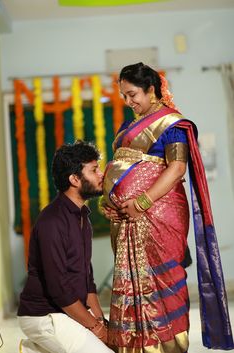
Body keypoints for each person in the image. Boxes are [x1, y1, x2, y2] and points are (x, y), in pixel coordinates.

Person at [101, 62, 234, 353]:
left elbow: (176, 168)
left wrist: (142, 202)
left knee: (165, 279)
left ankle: (170, 345)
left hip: (160, 216)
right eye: (124, 95)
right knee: (134, 285)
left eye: (133, 94)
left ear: (151, 90)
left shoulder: (172, 124)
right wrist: (107, 202)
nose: (128, 101)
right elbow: (119, 169)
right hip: (128, 221)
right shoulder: (127, 126)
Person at [17, 141, 114, 353]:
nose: (101, 174)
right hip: (44, 316)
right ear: (74, 179)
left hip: (66, 311)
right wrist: (96, 329)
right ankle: (38, 343)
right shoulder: (51, 221)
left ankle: (37, 350)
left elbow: (87, 280)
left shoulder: (83, 218)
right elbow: (59, 289)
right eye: (94, 170)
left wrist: (100, 321)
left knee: (113, 344)